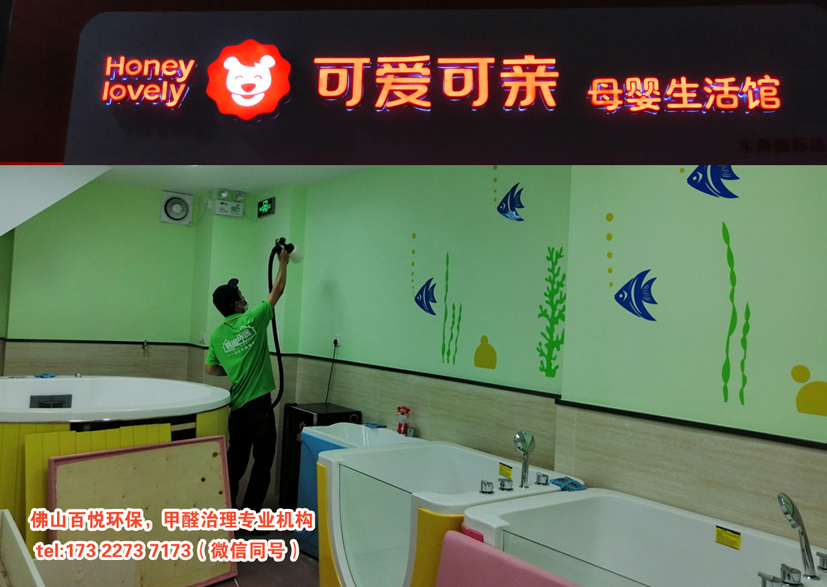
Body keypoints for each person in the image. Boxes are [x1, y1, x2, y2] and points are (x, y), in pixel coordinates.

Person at [205, 249, 289, 520]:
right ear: (236, 304)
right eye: (239, 294)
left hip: (238, 408)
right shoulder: (252, 320)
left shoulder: (217, 335)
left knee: (236, 463)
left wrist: (234, 370)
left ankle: (227, 515)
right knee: (262, 463)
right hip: (259, 408)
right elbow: (277, 290)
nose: (243, 296)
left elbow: (209, 369)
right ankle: (250, 520)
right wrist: (283, 263)